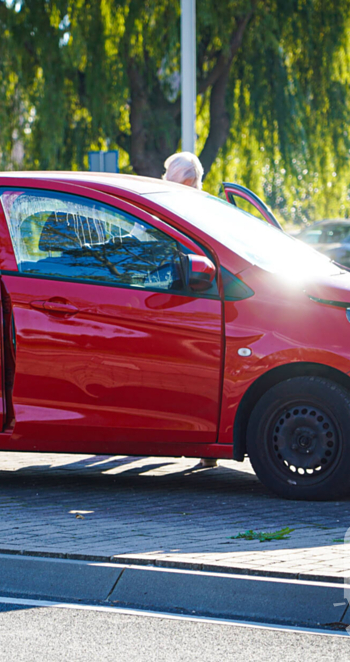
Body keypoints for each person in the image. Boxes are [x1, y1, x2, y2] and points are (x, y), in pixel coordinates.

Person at [162, 152, 215, 467]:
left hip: (191, 301)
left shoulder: (186, 209)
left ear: (186, 179)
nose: (165, 181)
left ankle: (201, 443)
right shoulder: (201, 207)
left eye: (170, 176)